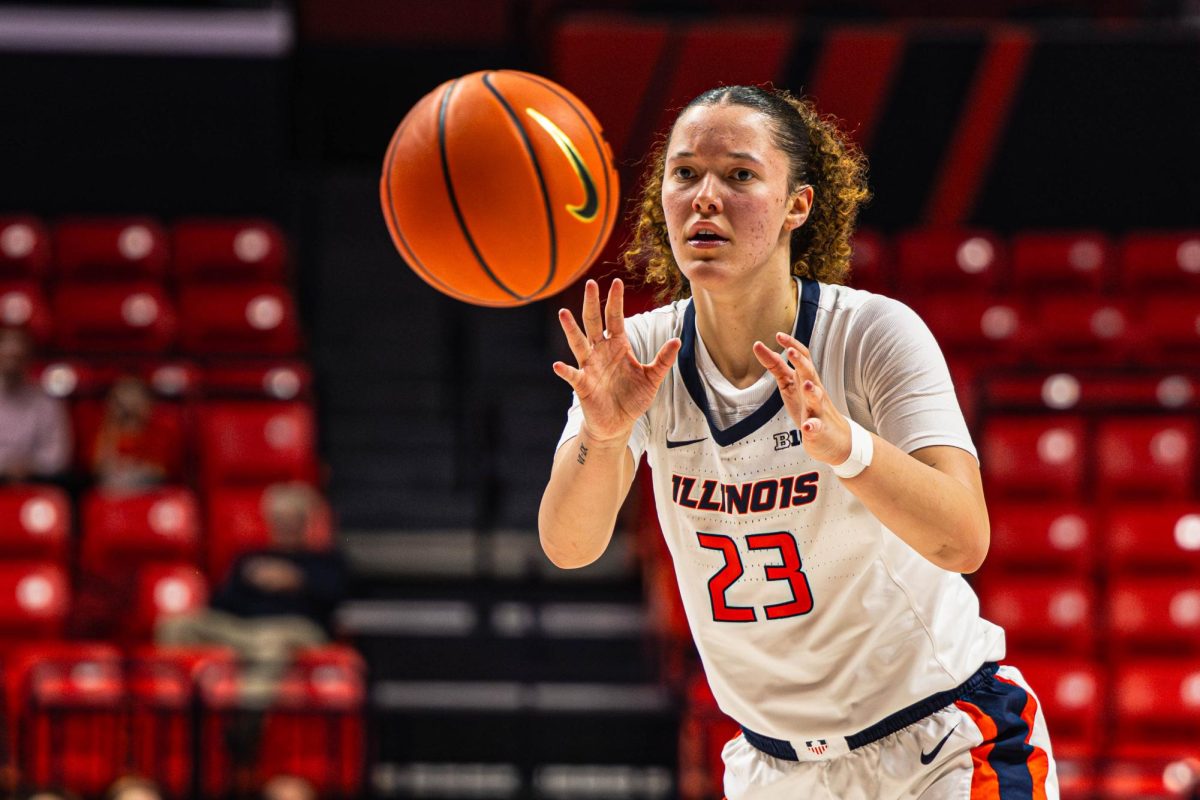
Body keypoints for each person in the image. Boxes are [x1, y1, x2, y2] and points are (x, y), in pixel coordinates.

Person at [539, 85, 1057, 799]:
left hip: (940, 738)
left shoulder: (872, 335)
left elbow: (964, 541)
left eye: (740, 175)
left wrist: (848, 448)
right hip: (773, 768)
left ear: (798, 206)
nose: (705, 198)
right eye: (684, 174)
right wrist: (605, 432)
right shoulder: (644, 353)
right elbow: (569, 545)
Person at [156, 482, 344, 765]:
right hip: (242, 630)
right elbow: (220, 603)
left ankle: (245, 727)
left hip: (293, 629)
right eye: (279, 519)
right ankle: (175, 719)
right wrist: (252, 580)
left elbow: (336, 597)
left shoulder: (323, 561)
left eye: (292, 519)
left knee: (270, 646)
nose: (285, 526)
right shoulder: (251, 558)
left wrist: (297, 580)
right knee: (175, 625)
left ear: (306, 522)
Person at [0, 327, 71, 483]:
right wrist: (5, 466)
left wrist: (30, 466)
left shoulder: (47, 402)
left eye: (18, 357)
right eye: (7, 356)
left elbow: (57, 455)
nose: (12, 364)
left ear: (29, 358)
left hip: (36, 483)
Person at [90, 375, 178, 490]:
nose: (128, 408)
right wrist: (112, 427)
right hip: (113, 494)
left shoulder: (159, 433)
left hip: (150, 492)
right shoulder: (108, 431)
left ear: (147, 402)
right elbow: (98, 467)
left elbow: (160, 472)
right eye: (122, 403)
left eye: (134, 400)